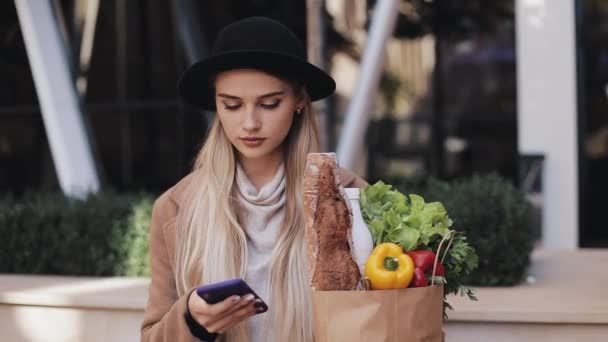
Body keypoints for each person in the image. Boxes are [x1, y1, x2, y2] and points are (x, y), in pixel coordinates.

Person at [140, 16, 367, 342]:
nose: (249, 123)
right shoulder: (176, 209)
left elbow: (383, 316)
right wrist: (191, 318)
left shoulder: (351, 198)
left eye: (269, 104)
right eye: (231, 105)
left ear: (300, 100)